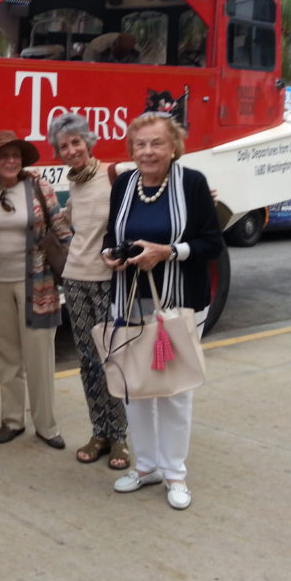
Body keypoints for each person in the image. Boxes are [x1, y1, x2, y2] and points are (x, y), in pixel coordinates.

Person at [102, 112, 223, 510]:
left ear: (173, 147)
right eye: (140, 144)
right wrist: (110, 254)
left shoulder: (191, 184)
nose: (148, 151)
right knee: (136, 388)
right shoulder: (124, 183)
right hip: (131, 300)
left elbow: (212, 243)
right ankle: (147, 465)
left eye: (156, 143)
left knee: (173, 390)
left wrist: (168, 252)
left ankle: (175, 473)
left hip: (178, 304)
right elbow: (112, 233)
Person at [0, 131, 71, 449]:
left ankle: (46, 425)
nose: (10, 161)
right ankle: (12, 420)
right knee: (6, 353)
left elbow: (61, 228)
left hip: (37, 281)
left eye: (15, 155)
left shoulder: (39, 187)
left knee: (39, 355)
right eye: (3, 156)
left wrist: (78, 268)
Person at [47, 113, 131, 470]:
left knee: (114, 359)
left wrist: (200, 191)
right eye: (63, 146)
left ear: (88, 142)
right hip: (76, 280)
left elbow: (160, 180)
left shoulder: (116, 174)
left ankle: (120, 438)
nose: (70, 150)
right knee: (88, 362)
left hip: (109, 281)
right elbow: (67, 221)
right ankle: (99, 431)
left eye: (75, 143)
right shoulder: (76, 185)